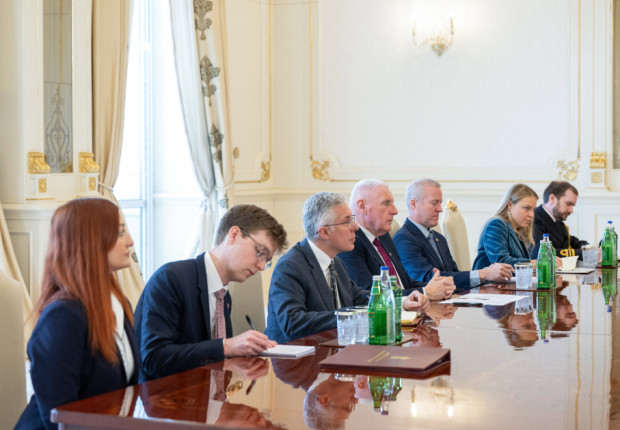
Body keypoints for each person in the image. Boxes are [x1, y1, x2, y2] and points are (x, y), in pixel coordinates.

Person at [16, 198, 140, 430]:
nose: (130, 241)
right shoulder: (62, 318)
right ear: (92, 242)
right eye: (120, 233)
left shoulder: (119, 304)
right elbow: (60, 418)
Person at [134, 204, 288, 381]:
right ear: (234, 235)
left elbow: (210, 357)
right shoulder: (170, 278)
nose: (261, 266)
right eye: (260, 252)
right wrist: (227, 346)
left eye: (267, 260)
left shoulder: (224, 296)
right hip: (165, 395)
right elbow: (154, 358)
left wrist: (245, 349)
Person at [266, 192, 428, 344]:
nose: (355, 227)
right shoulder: (291, 266)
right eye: (347, 221)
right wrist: (353, 316)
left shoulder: (336, 263)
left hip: (334, 350)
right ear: (324, 232)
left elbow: (360, 298)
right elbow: (292, 322)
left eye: (353, 219)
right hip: (298, 358)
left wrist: (401, 302)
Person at [338, 179, 453, 301]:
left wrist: (438, 286)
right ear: (362, 207)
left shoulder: (384, 236)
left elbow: (404, 282)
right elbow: (368, 295)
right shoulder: (351, 243)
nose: (395, 211)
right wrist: (425, 292)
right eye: (386, 203)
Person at [394, 178, 514, 290]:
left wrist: (489, 276)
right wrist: (484, 274)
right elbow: (428, 279)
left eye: (440, 203)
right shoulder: (404, 239)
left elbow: (455, 276)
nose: (440, 209)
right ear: (414, 204)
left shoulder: (439, 238)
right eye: (434, 203)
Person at [472, 184, 542, 270]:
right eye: (527, 208)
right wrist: (536, 264)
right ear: (510, 205)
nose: (532, 215)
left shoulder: (518, 230)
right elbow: (501, 262)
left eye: (533, 210)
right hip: (488, 279)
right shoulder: (496, 224)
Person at [531, 181, 588, 259]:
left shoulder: (557, 221)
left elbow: (571, 241)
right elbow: (542, 253)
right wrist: (584, 253)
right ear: (552, 199)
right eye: (568, 204)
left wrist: (589, 248)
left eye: (572, 206)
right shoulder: (534, 219)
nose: (571, 210)